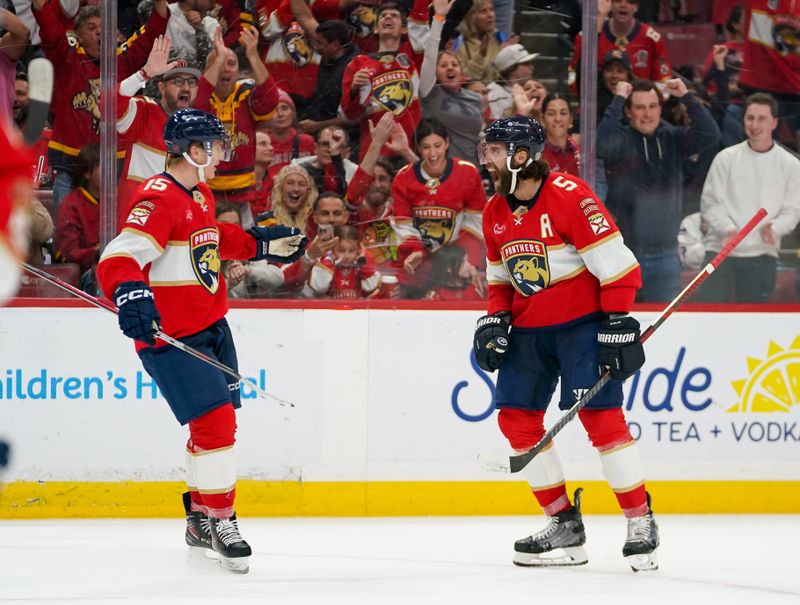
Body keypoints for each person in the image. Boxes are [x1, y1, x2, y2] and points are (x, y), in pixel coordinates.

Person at [96, 108, 307, 573]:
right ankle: (223, 518)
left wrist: (260, 244)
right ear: (193, 150)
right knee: (217, 430)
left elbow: (209, 240)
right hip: (173, 337)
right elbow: (117, 256)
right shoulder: (159, 198)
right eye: (214, 145)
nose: (222, 153)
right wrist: (131, 291)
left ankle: (198, 519)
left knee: (211, 430)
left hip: (213, 328)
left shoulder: (199, 193)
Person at [473, 115, 658, 571]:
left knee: (602, 419)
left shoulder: (570, 195)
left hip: (582, 326)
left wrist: (617, 320)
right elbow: (500, 277)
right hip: (529, 330)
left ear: (521, 156)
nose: (488, 160)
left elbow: (615, 263)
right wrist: (496, 319)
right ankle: (563, 525)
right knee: (516, 420)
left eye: (496, 152)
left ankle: (640, 520)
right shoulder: (494, 210)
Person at [597, 78, 720, 302]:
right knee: (625, 327)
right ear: (628, 112)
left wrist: (686, 96)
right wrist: (618, 98)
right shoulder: (621, 140)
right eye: (640, 107)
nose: (647, 114)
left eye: (653, 106)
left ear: (661, 108)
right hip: (626, 254)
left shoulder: (673, 137)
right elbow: (601, 142)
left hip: (666, 255)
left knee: (664, 332)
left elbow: (710, 134)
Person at [696, 93, 800, 302]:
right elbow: (710, 202)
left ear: (774, 123)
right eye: (750, 118)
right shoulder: (726, 158)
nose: (755, 124)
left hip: (762, 256)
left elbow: (793, 210)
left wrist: (776, 228)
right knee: (709, 319)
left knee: (754, 325)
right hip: (720, 252)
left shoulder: (790, 165)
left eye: (762, 118)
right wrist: (726, 227)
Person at [195, 26, 280, 226]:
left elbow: (270, 99)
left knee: (247, 252)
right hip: (206, 192)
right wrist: (221, 57)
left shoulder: (245, 93)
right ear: (208, 71)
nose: (225, 68)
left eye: (231, 64)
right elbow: (198, 110)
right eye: (218, 64)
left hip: (243, 195)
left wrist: (252, 54)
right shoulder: (199, 94)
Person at [392, 118, 487, 295]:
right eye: (426, 147)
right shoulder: (403, 178)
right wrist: (416, 252)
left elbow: (476, 222)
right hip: (419, 270)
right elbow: (402, 226)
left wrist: (465, 261)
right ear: (418, 148)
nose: (433, 153)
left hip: (456, 267)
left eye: (437, 145)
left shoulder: (467, 173)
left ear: (447, 143)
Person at [116, 35, 200, 225]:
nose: (186, 87)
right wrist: (144, 74)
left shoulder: (199, 129)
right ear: (161, 87)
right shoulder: (143, 112)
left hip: (178, 230)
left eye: (192, 82)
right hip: (138, 226)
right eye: (178, 81)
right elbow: (108, 104)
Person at [419, 0, 484, 167]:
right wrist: (439, 18)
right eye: (443, 65)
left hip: (472, 170)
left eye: (454, 64)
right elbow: (430, 55)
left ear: (462, 73)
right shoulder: (430, 92)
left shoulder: (475, 98)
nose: (450, 68)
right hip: (441, 170)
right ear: (435, 73)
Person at [568, 0, 671, 96]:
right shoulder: (586, 37)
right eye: (618, 0)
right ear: (610, 4)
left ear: (636, 6)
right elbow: (574, 78)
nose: (623, 5)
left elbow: (662, 83)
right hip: (598, 109)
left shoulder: (652, 40)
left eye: (630, 1)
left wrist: (641, 102)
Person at [54, 143, 100, 291]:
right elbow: (68, 255)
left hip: (115, 264)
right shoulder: (71, 204)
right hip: (85, 274)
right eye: (102, 166)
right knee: (99, 275)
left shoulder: (118, 199)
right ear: (87, 173)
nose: (110, 171)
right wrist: (97, 251)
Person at [307, 224, 382, 299]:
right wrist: (328, 262)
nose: (346, 256)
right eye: (341, 250)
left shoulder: (360, 268)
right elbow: (319, 287)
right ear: (333, 249)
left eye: (352, 251)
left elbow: (370, 288)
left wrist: (363, 257)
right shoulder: (327, 264)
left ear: (358, 251)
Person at [487, 44, 538, 120]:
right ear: (511, 68)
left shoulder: (530, 90)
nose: (532, 67)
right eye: (526, 63)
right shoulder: (492, 93)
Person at [539, 94, 580, 177]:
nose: (558, 119)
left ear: (571, 119)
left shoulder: (580, 151)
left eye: (563, 113)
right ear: (542, 120)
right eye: (551, 114)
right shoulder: (536, 153)